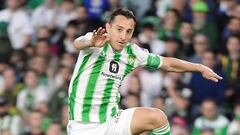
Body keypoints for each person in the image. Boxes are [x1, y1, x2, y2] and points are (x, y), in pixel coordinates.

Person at [67, 8, 222, 135]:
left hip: (112, 120)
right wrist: (90, 42)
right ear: (108, 27)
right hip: (82, 127)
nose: (123, 36)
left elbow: (168, 63)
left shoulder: (132, 53)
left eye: (129, 31)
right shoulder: (95, 41)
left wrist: (199, 67)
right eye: (119, 29)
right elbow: (77, 43)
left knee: (157, 118)